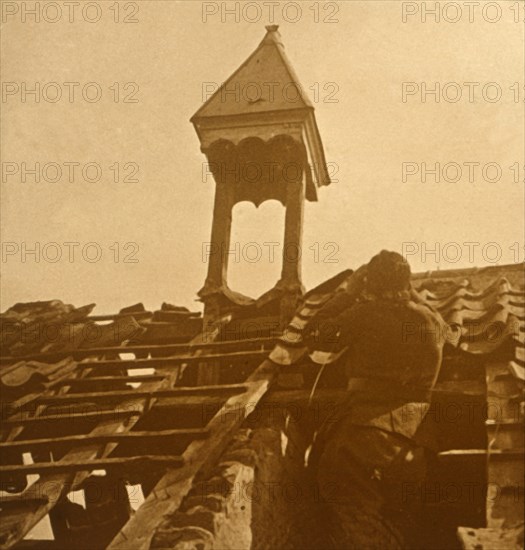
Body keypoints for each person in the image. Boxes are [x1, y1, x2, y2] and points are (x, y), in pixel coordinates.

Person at [306, 250, 447, 549]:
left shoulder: (365, 314)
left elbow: (315, 334)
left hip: (361, 446)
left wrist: (348, 292)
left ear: (370, 283)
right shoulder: (433, 321)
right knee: (396, 532)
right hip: (416, 447)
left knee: (358, 533)